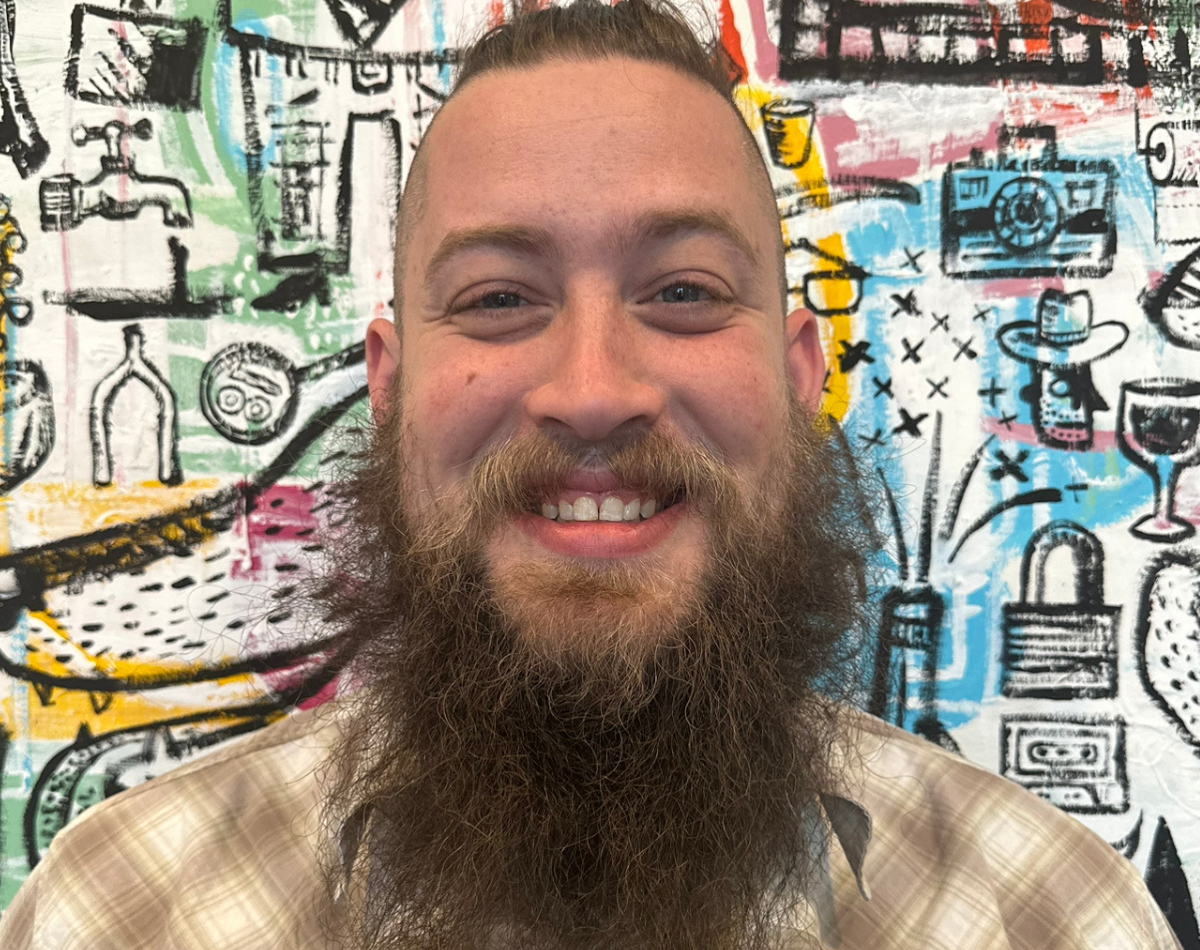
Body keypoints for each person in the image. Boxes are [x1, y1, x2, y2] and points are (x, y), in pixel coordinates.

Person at [0, 2, 1182, 948]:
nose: (593, 387)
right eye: (500, 298)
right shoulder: (119, 913)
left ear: (795, 376)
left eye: (682, 291)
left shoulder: (1053, 918)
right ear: (393, 386)